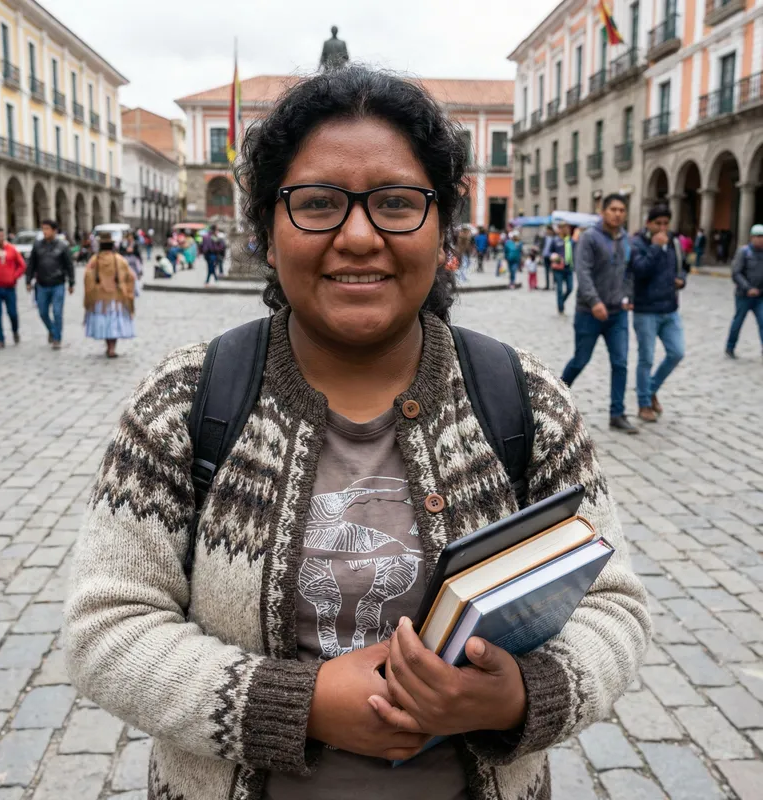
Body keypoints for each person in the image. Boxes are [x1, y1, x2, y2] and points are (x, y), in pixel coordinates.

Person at [64, 66, 650, 800]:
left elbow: (613, 604)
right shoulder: (183, 403)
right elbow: (106, 628)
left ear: (443, 229)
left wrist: (518, 698)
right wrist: (296, 702)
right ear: (268, 233)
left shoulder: (527, 400)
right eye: (317, 204)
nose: (360, 235)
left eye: (398, 203)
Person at [561, 194, 637, 433]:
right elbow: (582, 272)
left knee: (621, 362)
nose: (617, 213)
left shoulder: (626, 239)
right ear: (603, 211)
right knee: (581, 359)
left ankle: (617, 413)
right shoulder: (589, 238)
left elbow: (628, 272)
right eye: (613, 209)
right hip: (589, 313)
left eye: (621, 210)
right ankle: (557, 400)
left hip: (617, 314)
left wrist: (628, 297)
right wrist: (594, 302)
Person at [629, 206, 686, 422]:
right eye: (658, 223)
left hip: (670, 309)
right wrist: (654, 248)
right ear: (648, 223)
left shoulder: (674, 242)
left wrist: (682, 280)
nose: (662, 228)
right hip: (646, 311)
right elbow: (639, 271)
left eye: (665, 223)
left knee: (677, 352)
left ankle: (650, 389)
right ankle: (644, 404)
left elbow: (682, 266)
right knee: (646, 358)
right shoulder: (638, 243)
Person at [83, 230, 136, 358]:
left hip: (100, 299)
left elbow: (87, 276)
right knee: (114, 323)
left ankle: (108, 346)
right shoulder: (119, 260)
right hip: (116, 298)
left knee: (104, 323)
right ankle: (112, 348)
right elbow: (130, 276)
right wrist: (128, 290)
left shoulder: (94, 260)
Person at [26, 219, 75, 350]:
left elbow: (69, 265)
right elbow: (31, 264)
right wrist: (28, 280)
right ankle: (52, 330)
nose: (45, 231)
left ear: (54, 230)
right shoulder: (37, 245)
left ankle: (57, 339)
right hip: (41, 284)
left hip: (57, 284)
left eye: (47, 229)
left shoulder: (62, 246)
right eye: (43, 229)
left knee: (57, 312)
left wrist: (71, 282)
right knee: (42, 312)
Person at [725, 223, 763, 358]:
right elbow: (736, 273)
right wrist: (748, 288)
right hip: (744, 296)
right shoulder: (744, 252)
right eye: (758, 236)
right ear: (752, 237)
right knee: (738, 321)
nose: (760, 239)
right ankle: (730, 347)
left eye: (762, 237)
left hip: (760, 296)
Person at [552, 221, 576, 314]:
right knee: (560, 289)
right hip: (558, 268)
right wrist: (554, 256)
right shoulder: (555, 240)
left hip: (568, 267)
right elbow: (549, 252)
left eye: (567, 228)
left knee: (570, 288)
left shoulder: (570, 240)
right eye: (563, 228)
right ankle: (560, 308)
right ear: (559, 229)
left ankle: (561, 301)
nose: (566, 229)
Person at [541, 224, 555, 290]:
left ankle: (553, 285)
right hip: (545, 255)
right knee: (546, 271)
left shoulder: (554, 238)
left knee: (553, 271)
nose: (547, 231)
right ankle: (547, 285)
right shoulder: (545, 237)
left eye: (548, 230)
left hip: (552, 257)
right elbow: (542, 246)